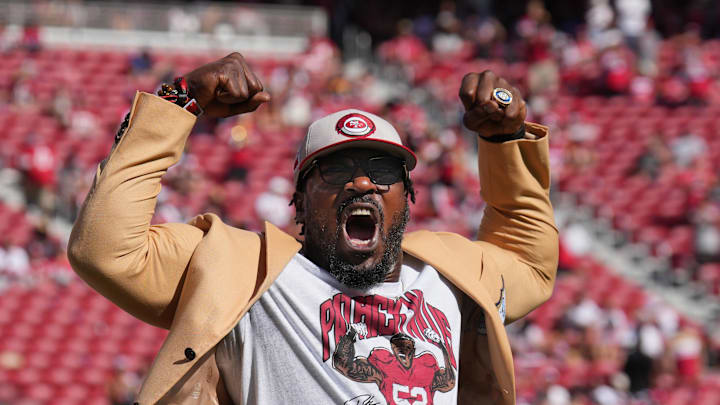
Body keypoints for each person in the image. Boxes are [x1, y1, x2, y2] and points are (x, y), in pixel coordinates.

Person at [68, 52, 558, 404]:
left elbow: (531, 264)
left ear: (406, 197)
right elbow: (105, 251)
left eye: (382, 171)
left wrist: (506, 141)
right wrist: (179, 102)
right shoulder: (242, 272)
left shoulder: (452, 278)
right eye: (336, 171)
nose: (362, 182)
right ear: (298, 203)